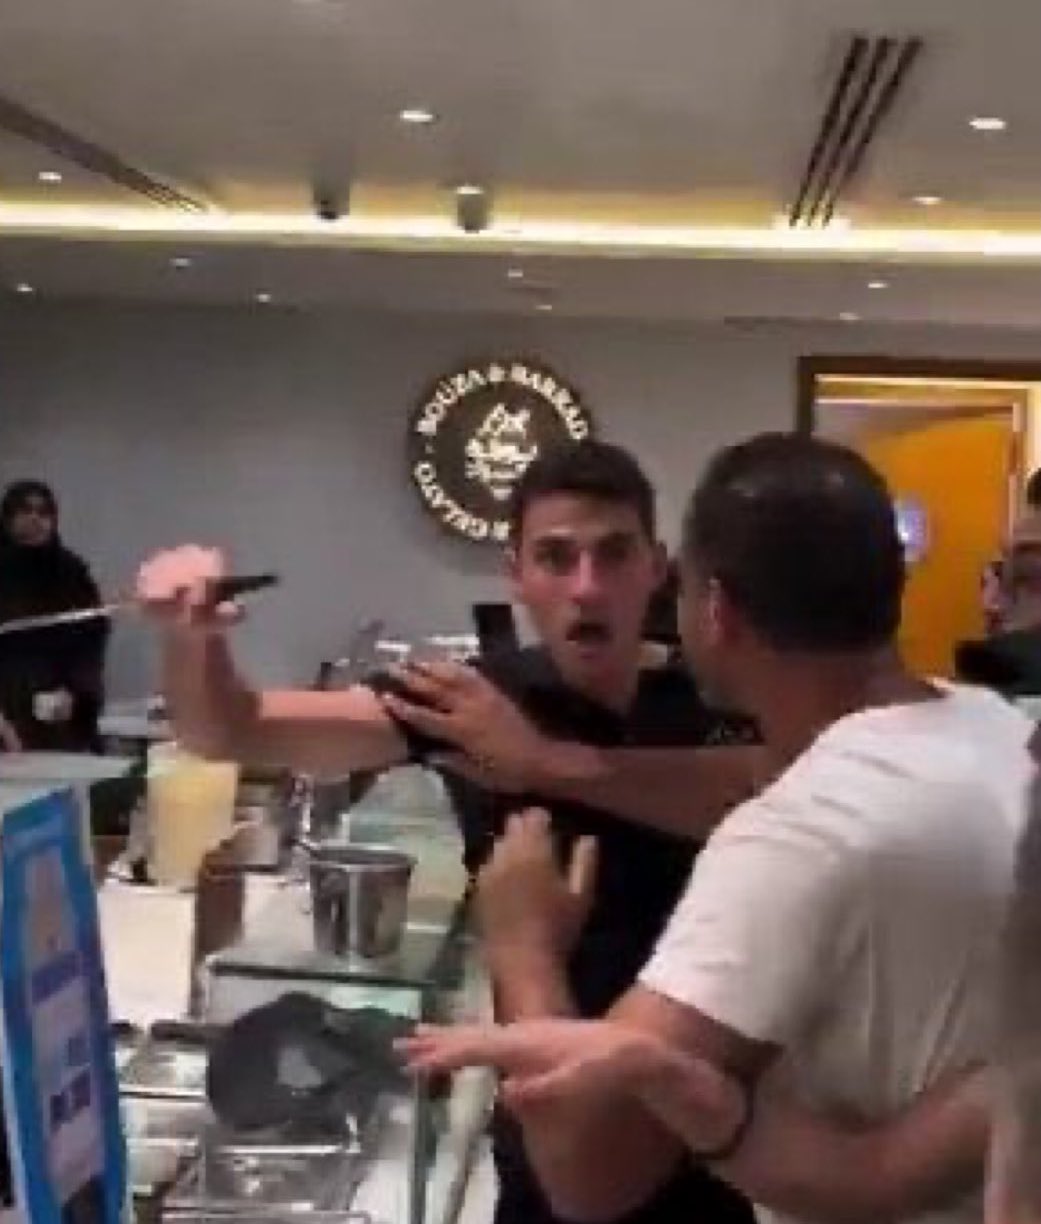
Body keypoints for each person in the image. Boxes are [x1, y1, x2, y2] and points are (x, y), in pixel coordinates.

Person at [400, 433, 1035, 1224]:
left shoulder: (796, 836)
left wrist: (521, 947)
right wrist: (549, 763)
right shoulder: (995, 730)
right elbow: (751, 772)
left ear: (713, 608)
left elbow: (586, 1169)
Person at [136, 440, 763, 1224]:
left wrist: (541, 763)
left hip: (706, 1118)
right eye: (555, 558)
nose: (586, 587)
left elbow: (774, 790)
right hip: (541, 1116)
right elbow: (232, 727)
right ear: (515, 574)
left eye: (612, 554)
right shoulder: (473, 702)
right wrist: (191, 638)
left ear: (655, 567)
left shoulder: (720, 697)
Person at [0, 480, 108, 752]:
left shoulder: (72, 572)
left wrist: (75, 691)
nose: (35, 518)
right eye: (25, 510)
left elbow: (91, 639)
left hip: (57, 707)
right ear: (9, 517)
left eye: (43, 512)